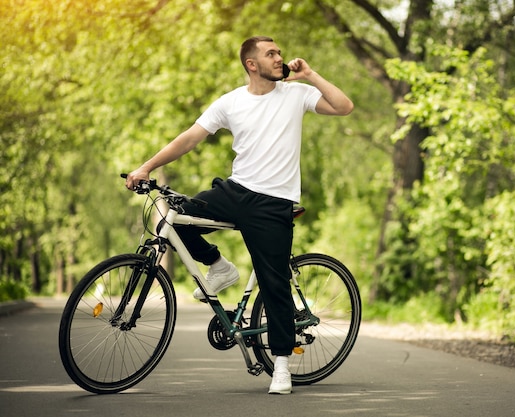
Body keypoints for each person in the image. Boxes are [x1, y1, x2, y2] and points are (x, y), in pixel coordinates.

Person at [125, 35, 353, 394]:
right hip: (235, 191)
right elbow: (189, 137)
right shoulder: (231, 102)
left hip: (273, 202)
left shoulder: (296, 95)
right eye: (271, 54)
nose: (280, 58)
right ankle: (219, 267)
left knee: (273, 282)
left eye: (279, 52)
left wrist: (310, 74)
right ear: (251, 64)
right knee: (176, 216)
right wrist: (146, 167)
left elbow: (344, 107)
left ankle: (280, 364)